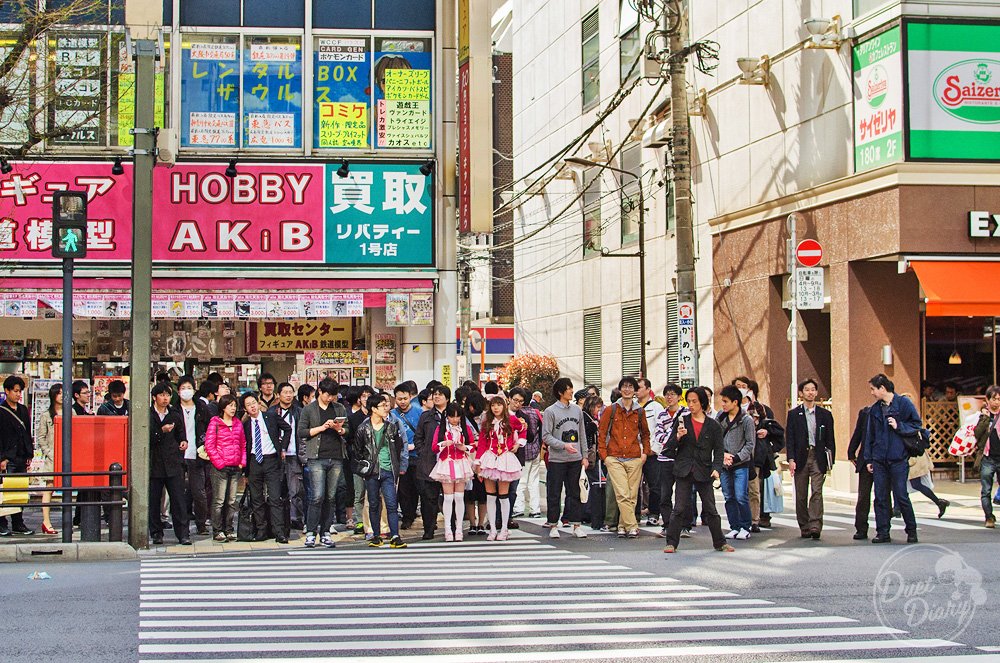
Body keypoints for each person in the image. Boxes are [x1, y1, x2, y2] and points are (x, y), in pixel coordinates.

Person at [662, 386, 734, 553]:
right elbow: (669, 447)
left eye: (694, 401)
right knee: (679, 507)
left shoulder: (713, 425)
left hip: (704, 469)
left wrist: (717, 469)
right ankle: (671, 542)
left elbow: (719, 450)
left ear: (703, 403)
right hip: (684, 468)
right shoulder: (682, 420)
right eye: (689, 401)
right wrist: (678, 437)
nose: (691, 405)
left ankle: (720, 542)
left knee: (711, 508)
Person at [863, 374, 920, 544]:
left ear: (882, 388)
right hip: (880, 458)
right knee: (880, 496)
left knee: (901, 495)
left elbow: (917, 425)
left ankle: (911, 530)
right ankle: (883, 532)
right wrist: (869, 459)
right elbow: (869, 435)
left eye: (873, 389)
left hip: (898, 458)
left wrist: (899, 426)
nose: (872, 393)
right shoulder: (875, 409)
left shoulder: (903, 404)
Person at [297, 378, 348, 548]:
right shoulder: (309, 409)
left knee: (331, 497)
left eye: (333, 395)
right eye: (327, 395)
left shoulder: (339, 408)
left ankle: (325, 531)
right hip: (316, 457)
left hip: (336, 456)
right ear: (319, 391)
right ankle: (311, 532)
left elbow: (346, 431)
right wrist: (322, 427)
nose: (330, 399)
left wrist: (338, 429)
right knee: (317, 496)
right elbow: (302, 432)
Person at [352, 393, 408, 548]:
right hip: (371, 471)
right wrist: (363, 469)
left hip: (388, 470)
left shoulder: (391, 426)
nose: (386, 408)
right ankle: (376, 535)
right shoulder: (363, 428)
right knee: (374, 503)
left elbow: (398, 447)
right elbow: (357, 451)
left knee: (391, 503)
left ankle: (394, 535)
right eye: (382, 406)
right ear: (373, 409)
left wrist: (398, 466)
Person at [597, 376, 649, 539]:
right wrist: (604, 456)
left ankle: (622, 525)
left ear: (635, 391)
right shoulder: (610, 410)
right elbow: (602, 433)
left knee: (632, 495)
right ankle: (632, 526)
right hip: (614, 457)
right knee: (622, 493)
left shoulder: (639, 411)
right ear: (620, 390)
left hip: (634, 457)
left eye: (630, 387)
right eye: (624, 386)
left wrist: (645, 453)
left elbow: (646, 434)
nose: (627, 389)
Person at [785, 378, 835, 540]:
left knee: (817, 491)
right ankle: (804, 524)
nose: (811, 392)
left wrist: (830, 460)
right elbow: (790, 439)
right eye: (807, 389)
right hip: (800, 457)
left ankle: (815, 524)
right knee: (801, 494)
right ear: (801, 393)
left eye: (813, 389)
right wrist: (791, 459)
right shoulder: (794, 414)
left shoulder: (825, 415)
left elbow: (830, 439)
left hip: (818, 456)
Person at [241, 392, 292, 543]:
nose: (252, 407)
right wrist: (245, 471)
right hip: (254, 462)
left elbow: (287, 428)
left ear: (258, 403)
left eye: (254, 403)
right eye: (248, 405)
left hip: (271, 460)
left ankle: (279, 532)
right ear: (245, 409)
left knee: (275, 497)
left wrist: (283, 448)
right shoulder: (245, 425)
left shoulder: (270, 417)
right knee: (257, 499)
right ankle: (261, 530)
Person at [476, 395, 525, 541]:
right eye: (493, 405)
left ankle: (504, 528)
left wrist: (518, 444)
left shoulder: (511, 420)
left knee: (504, 496)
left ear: (504, 406)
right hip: (490, 458)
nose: (495, 408)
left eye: (498, 405)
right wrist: (478, 463)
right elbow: (482, 443)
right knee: (490, 496)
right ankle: (492, 529)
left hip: (505, 457)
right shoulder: (487, 422)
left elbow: (522, 430)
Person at [149, 383, 190, 545]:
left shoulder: (174, 413)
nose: (165, 398)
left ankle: (183, 534)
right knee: (154, 500)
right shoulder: (149, 414)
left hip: (173, 462)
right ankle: (156, 533)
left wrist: (183, 442)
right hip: (155, 463)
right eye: (162, 395)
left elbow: (182, 433)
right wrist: (161, 431)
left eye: (168, 395)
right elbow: (147, 437)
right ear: (154, 397)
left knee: (179, 500)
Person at [429, 403, 475, 542]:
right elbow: (434, 448)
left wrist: (464, 447)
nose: (455, 419)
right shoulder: (441, 428)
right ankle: (448, 529)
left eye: (457, 416)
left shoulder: (465, 429)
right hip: (446, 463)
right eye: (451, 416)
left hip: (461, 463)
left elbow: (472, 446)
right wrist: (443, 444)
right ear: (446, 416)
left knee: (459, 497)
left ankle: (459, 529)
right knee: (448, 498)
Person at [715, 385, 755, 540]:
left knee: (741, 496)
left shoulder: (746, 420)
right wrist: (723, 455)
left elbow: (750, 444)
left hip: (740, 464)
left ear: (735, 402)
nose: (723, 404)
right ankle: (734, 526)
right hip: (724, 464)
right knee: (728, 496)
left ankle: (746, 526)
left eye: (726, 401)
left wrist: (736, 457)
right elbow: (715, 438)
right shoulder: (720, 417)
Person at [204, 394, 246, 542]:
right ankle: (217, 530)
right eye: (230, 405)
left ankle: (229, 529)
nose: (233, 408)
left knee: (231, 500)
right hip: (220, 467)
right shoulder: (215, 423)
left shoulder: (238, 424)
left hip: (235, 466)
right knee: (219, 500)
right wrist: (219, 463)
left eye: (235, 405)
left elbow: (243, 444)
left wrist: (242, 462)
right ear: (223, 407)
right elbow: (209, 445)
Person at [176, 376, 212, 535]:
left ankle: (201, 523)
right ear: (178, 391)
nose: (186, 391)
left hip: (197, 454)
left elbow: (210, 428)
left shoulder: (202, 408)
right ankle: (182, 527)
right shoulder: (174, 409)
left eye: (189, 387)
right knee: (178, 493)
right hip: (177, 455)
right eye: (183, 388)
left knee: (199, 492)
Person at [413, 384, 450, 540]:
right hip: (429, 462)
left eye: (440, 394)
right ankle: (429, 528)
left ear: (447, 398)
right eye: (434, 394)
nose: (436, 396)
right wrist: (423, 452)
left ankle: (451, 527)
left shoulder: (453, 415)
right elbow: (418, 438)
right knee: (429, 498)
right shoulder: (426, 416)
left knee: (449, 497)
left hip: (449, 461)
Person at [0, 376, 35, 536]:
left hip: (21, 455)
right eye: (15, 391)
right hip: (7, 457)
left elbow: (27, 432)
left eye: (19, 391)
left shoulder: (22, 410)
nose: (18, 394)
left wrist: (29, 453)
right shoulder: (1, 411)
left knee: (19, 491)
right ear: (6, 391)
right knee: (5, 492)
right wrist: (1, 458)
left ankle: (18, 522)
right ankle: (2, 523)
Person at [654, 383, 687, 538]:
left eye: (673, 394)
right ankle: (667, 525)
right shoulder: (661, 415)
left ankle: (684, 526)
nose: (669, 397)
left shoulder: (686, 413)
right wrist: (675, 437)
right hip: (664, 458)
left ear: (680, 397)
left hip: (682, 458)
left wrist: (672, 437)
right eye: (667, 394)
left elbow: (688, 436)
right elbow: (658, 436)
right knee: (664, 494)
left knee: (683, 494)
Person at [389, 382, 423, 530]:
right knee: (403, 489)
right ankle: (407, 517)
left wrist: (415, 446)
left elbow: (423, 434)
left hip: (416, 455)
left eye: (405, 398)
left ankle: (412, 512)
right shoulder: (392, 414)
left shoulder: (419, 412)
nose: (402, 402)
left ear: (411, 397)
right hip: (399, 457)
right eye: (399, 399)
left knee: (416, 488)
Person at [273, 382, 305, 530]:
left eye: (290, 392)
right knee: (277, 490)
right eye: (285, 392)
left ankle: (296, 518)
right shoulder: (272, 412)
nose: (288, 395)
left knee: (296, 490)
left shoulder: (299, 412)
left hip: (294, 454)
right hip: (276, 455)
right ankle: (278, 519)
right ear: (278, 395)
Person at [344, 385, 375, 535]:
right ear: (359, 399)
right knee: (359, 493)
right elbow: (349, 438)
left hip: (375, 461)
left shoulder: (377, 417)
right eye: (363, 396)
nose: (366, 399)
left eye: (368, 396)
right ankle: (359, 522)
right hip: (357, 460)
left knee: (374, 493)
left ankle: (372, 521)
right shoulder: (353, 418)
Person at [33, 383, 62, 534]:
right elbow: (41, 437)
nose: (62, 396)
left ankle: (68, 522)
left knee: (69, 486)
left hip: (67, 456)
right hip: (52, 456)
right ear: (53, 395)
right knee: (49, 487)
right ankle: (46, 521)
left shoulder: (70, 412)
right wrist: (49, 452)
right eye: (59, 393)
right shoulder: (46, 415)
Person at [510, 388, 543, 518]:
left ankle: (519, 507)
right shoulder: (535, 413)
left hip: (523, 451)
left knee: (521, 481)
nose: (518, 403)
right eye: (516, 400)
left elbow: (528, 435)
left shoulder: (522, 414)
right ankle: (535, 509)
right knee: (533, 481)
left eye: (520, 401)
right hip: (534, 450)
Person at [636, 378, 665, 527]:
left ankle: (654, 513)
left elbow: (660, 430)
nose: (636, 390)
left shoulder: (656, 407)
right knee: (634, 486)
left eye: (639, 387)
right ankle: (635, 514)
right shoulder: (633, 406)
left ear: (648, 389)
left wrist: (654, 449)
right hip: (635, 453)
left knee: (654, 485)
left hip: (652, 453)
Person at [847, 405, 876, 540]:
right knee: (863, 496)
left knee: (883, 496)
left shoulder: (892, 411)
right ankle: (861, 528)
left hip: (883, 459)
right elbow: (858, 432)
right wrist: (851, 451)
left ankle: (884, 529)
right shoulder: (865, 412)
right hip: (865, 459)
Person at [973, 385, 1000, 528]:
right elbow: (977, 434)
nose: (997, 402)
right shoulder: (982, 416)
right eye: (994, 399)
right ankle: (989, 517)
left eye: (999, 399)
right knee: (986, 490)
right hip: (987, 457)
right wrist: (984, 418)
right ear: (987, 400)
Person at [581, 395, 608, 531]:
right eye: (598, 407)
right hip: (589, 456)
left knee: (591, 483)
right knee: (599, 481)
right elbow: (584, 435)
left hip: (592, 456)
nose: (599, 410)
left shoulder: (590, 417)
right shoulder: (586, 418)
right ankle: (590, 512)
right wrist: (593, 426)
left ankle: (588, 511)